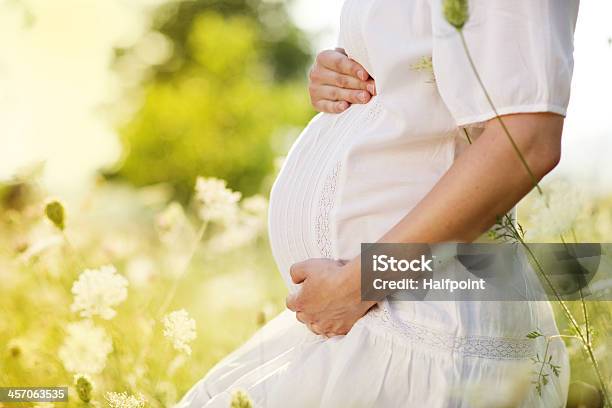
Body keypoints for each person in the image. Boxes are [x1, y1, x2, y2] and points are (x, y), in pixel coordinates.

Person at [179, 0, 580, 406]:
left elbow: (527, 141)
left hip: (422, 331)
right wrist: (337, 72)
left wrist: (361, 282)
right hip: (362, 321)